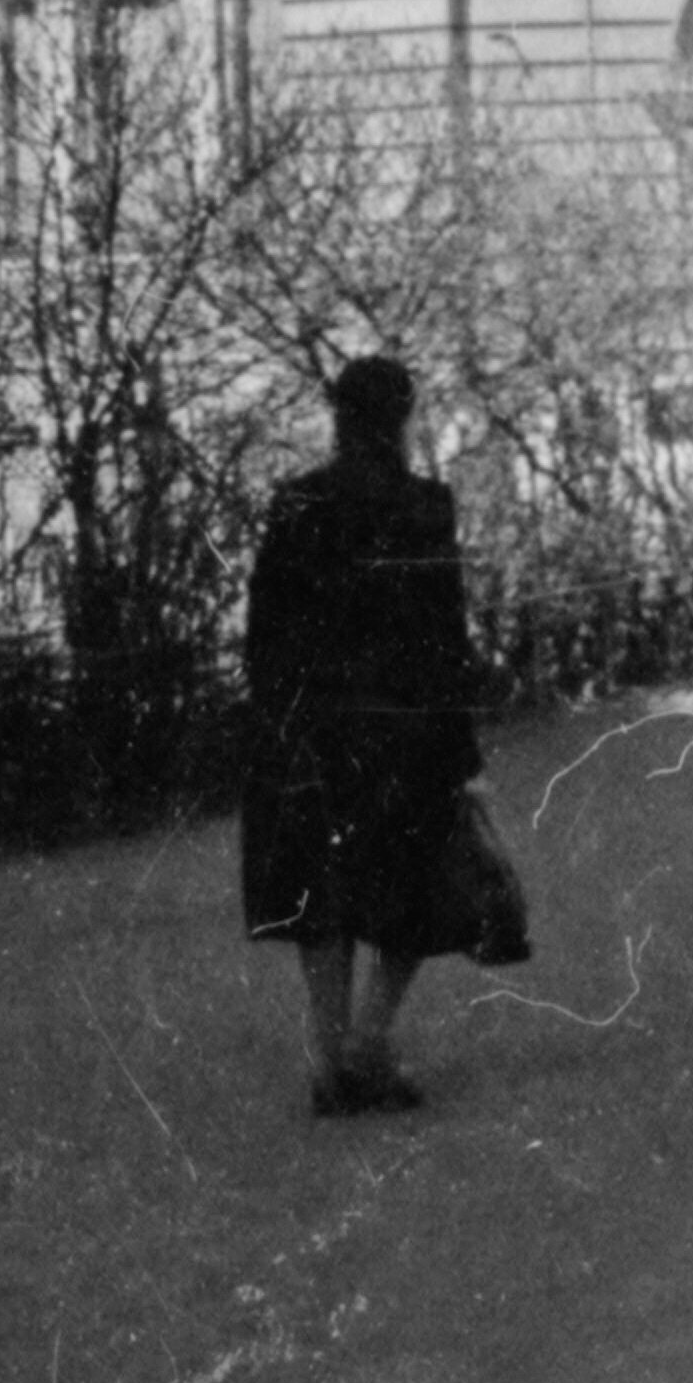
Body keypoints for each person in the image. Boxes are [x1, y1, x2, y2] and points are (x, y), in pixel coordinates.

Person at [241, 352, 483, 1116]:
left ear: (339, 417)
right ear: (402, 416)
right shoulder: (426, 505)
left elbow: (264, 632)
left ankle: (328, 1060)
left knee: (324, 898)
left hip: (314, 731)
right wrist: (460, 749)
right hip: (403, 733)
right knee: (414, 892)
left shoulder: (296, 502)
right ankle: (368, 1041)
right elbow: (445, 639)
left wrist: (279, 724)